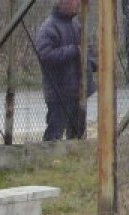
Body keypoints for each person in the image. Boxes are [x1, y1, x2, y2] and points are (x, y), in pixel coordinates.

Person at [35, 0, 95, 142]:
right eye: (72, 1)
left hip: (78, 91)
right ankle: (48, 160)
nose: (76, 3)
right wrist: (73, 50)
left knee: (77, 134)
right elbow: (45, 55)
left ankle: (74, 160)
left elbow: (87, 52)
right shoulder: (49, 27)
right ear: (61, 4)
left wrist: (92, 64)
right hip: (59, 92)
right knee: (54, 134)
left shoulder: (76, 25)